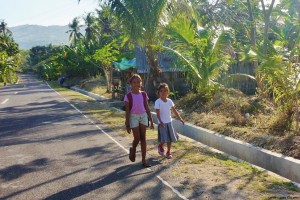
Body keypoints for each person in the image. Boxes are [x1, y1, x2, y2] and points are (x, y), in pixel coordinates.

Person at [124, 74, 154, 167]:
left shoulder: (144, 94)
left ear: (141, 83)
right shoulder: (128, 96)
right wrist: (127, 124)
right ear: (131, 84)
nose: (136, 84)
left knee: (143, 138)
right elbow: (127, 111)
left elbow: (147, 107)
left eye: (138, 82)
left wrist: (151, 120)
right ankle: (133, 149)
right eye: (134, 82)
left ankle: (144, 160)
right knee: (137, 138)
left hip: (143, 116)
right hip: (133, 117)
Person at [155, 83, 184, 159]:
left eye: (165, 91)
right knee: (164, 138)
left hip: (169, 122)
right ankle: (160, 145)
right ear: (159, 92)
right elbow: (157, 114)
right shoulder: (157, 102)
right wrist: (161, 122)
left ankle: (168, 151)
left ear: (168, 92)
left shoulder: (169, 101)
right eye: (161, 91)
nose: (163, 92)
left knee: (170, 138)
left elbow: (174, 111)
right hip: (162, 123)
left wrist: (180, 119)